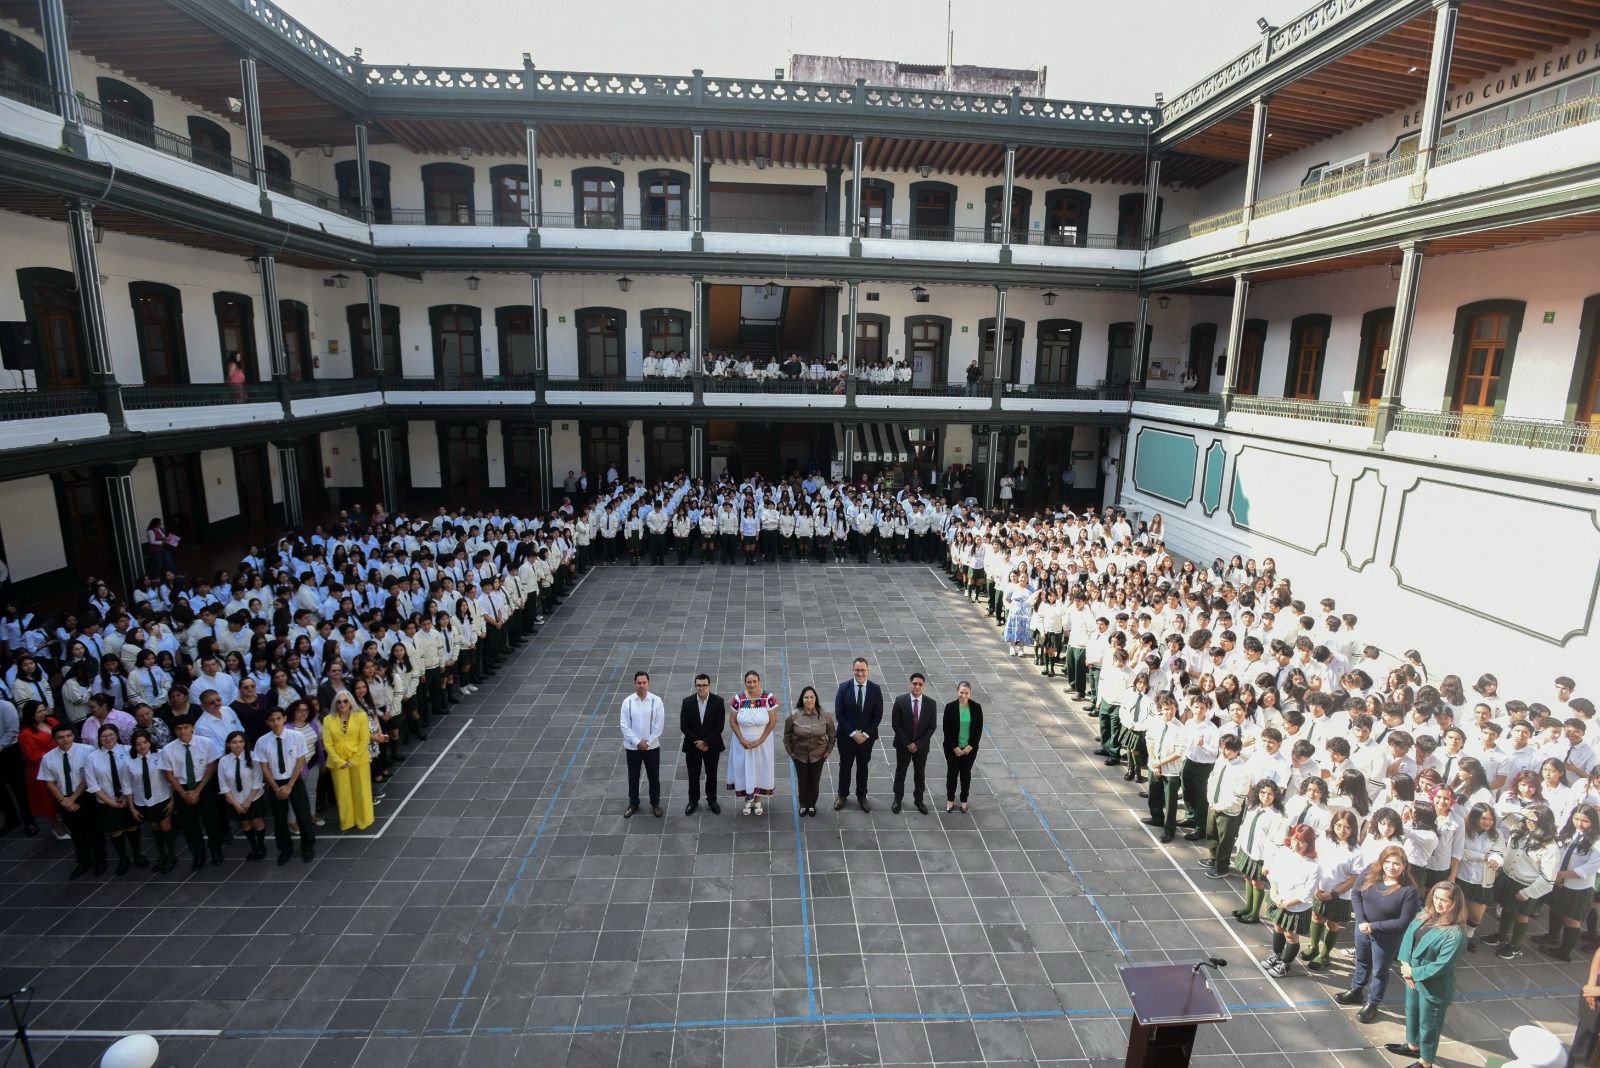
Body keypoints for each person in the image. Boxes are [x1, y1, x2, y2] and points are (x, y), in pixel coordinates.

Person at [1336, 845, 1420, 1022]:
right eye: (1387, 862)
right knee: (1361, 961)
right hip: (1362, 929)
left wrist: (1373, 926)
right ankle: (1356, 990)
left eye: (1396, 863)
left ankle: (1373, 1003)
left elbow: (1403, 921)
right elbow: (1356, 894)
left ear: (1404, 866)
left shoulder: (1409, 890)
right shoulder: (1370, 872)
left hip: (1386, 937)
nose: (1391, 867)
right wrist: (1361, 921)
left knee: (1379, 971)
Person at [1390, 881, 1468, 1068]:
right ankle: (1413, 1045)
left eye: (1444, 900)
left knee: (1429, 1024)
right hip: (1412, 975)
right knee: (1412, 1012)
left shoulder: (1455, 934)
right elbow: (1409, 935)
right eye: (1436, 897)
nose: (1438, 903)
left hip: (1433, 985)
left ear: (1455, 903)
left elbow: (1442, 965)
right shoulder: (1425, 914)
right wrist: (1405, 963)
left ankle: (1426, 1061)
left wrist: (1412, 972)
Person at [38, 722, 101, 878]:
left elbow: (88, 777)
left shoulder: (87, 751)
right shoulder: (48, 758)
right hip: (63, 798)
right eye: (60, 737)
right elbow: (49, 782)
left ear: (73, 735)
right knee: (76, 832)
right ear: (54, 739)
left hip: (85, 796)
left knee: (94, 830)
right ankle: (83, 861)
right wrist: (63, 800)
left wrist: (73, 798)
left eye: (68, 736)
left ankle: (100, 861)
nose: (65, 740)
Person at [1259, 823, 1322, 977]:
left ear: (1309, 844)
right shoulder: (1285, 854)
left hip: (1296, 907)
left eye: (1301, 841)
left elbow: (1307, 894)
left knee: (1291, 935)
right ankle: (1277, 954)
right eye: (1294, 839)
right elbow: (1274, 875)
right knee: (1278, 927)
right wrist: (1275, 893)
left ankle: (1286, 964)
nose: (1296, 844)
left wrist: (1287, 903)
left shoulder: (1314, 866)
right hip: (1279, 900)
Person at [254, 707, 314, 865]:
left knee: (303, 814)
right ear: (267, 722)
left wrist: (290, 785)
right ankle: (285, 849)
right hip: (275, 782)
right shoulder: (262, 741)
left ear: (284, 718)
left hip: (294, 779)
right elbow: (264, 767)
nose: (275, 722)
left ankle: (307, 847)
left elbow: (300, 760)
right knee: (280, 818)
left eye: (278, 718)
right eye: (272, 720)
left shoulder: (296, 736)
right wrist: (275, 788)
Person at [321, 691, 378, 832]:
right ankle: (347, 821)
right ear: (335, 704)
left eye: (345, 701)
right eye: (339, 702)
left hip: (359, 760)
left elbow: (364, 739)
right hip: (338, 762)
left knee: (362, 790)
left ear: (351, 702)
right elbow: (327, 743)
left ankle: (364, 819)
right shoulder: (328, 720)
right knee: (343, 793)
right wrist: (339, 761)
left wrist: (354, 759)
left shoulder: (361, 716)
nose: (342, 704)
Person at [833, 657, 883, 812]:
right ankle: (842, 795)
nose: (860, 673)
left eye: (863, 670)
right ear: (852, 670)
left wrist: (865, 734)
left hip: (866, 740)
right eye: (857, 670)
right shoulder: (843, 688)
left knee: (863, 766)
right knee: (845, 766)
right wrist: (853, 733)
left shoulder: (875, 689)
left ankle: (862, 795)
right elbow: (839, 714)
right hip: (847, 738)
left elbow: (878, 715)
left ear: (867, 671)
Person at [727, 670, 778, 815]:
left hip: (763, 742)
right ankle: (748, 800)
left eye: (754, 681)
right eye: (749, 682)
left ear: (759, 681)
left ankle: (758, 800)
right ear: (745, 683)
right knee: (744, 769)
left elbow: (773, 721)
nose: (752, 684)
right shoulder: (738, 699)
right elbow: (732, 721)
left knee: (760, 769)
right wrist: (742, 740)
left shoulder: (768, 698)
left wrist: (760, 740)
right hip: (742, 743)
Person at [783, 685, 835, 817]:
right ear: (802, 699)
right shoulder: (794, 716)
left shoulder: (825, 715)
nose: (809, 700)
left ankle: (812, 804)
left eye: (812, 697)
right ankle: (803, 804)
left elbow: (832, 734)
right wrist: (790, 752)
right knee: (802, 780)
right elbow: (787, 735)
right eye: (806, 697)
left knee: (814, 781)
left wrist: (828, 750)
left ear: (816, 699)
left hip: (818, 755)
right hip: (799, 755)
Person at [679, 673, 725, 815]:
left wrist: (706, 742)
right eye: (698, 685)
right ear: (695, 686)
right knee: (693, 775)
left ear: (709, 685)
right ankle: (693, 801)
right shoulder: (687, 702)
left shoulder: (718, 701)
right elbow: (684, 726)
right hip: (693, 746)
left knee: (712, 774)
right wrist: (698, 742)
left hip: (712, 746)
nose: (701, 688)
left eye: (704, 685)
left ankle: (712, 800)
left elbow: (719, 726)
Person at [620, 670, 664, 818]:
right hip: (632, 748)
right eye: (639, 683)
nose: (641, 685)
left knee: (654, 776)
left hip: (652, 747)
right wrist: (637, 742)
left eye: (644, 682)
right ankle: (633, 803)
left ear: (648, 683)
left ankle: (655, 803)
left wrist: (648, 742)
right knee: (633, 777)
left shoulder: (657, 701)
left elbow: (659, 725)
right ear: (634, 684)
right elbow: (624, 726)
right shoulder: (627, 702)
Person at [890, 672, 936, 815]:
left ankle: (919, 800)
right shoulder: (900, 701)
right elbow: (896, 724)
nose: (917, 686)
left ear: (923, 686)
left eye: (920, 684)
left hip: (921, 747)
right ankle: (898, 799)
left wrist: (918, 744)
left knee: (920, 774)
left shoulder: (931, 703)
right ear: (909, 684)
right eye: (914, 683)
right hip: (903, 745)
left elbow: (932, 727)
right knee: (900, 773)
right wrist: (908, 743)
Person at [218, 729, 267, 861]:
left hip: (253, 798)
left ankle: (261, 846)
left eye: (241, 741)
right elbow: (223, 785)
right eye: (234, 742)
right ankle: (253, 847)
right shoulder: (223, 761)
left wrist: (248, 801)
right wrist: (235, 803)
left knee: (257, 822)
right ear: (228, 744)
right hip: (235, 800)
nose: (238, 745)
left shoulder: (254, 757)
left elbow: (257, 781)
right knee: (245, 824)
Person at [941, 681, 983, 814]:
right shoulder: (950, 707)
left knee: (966, 774)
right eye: (961, 692)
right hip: (952, 749)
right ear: (957, 691)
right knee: (952, 774)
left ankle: (964, 800)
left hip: (969, 749)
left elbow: (978, 729)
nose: (963, 695)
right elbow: (946, 729)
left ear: (970, 693)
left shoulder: (976, 707)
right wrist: (955, 747)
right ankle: (950, 800)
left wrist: (970, 746)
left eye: (966, 693)